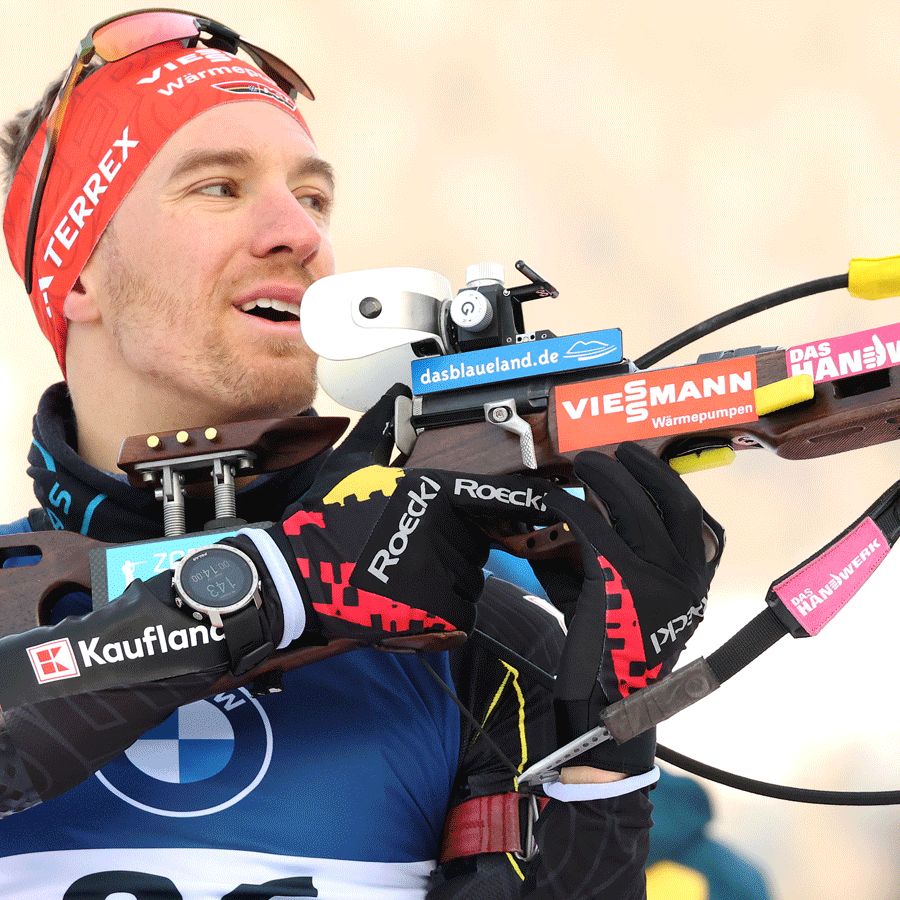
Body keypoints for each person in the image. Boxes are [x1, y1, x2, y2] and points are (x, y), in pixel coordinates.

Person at [0, 11, 736, 899]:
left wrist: (607, 748)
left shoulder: (477, 640)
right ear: (78, 272)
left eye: (314, 199)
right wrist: (274, 591)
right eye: (219, 187)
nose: (299, 234)